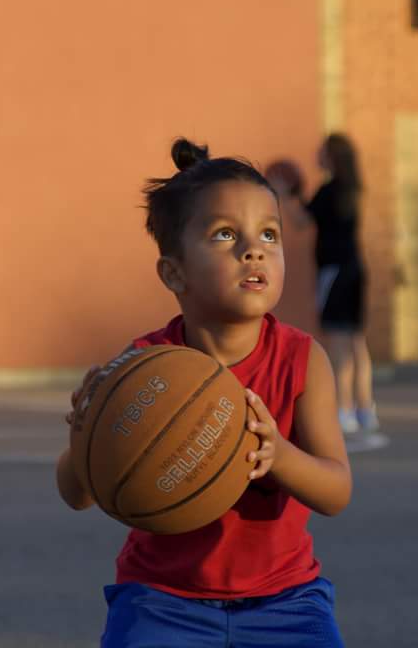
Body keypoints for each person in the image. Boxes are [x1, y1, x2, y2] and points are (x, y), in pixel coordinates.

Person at [56, 139, 352, 647]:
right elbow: (76, 495)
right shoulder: (144, 367)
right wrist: (88, 435)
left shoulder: (303, 360)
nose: (253, 249)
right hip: (162, 600)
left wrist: (278, 454)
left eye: (268, 234)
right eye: (224, 235)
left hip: (286, 600)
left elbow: (336, 492)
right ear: (174, 272)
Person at [275, 134, 378, 434]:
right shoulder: (353, 188)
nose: (316, 155)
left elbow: (301, 221)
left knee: (338, 341)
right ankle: (365, 409)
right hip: (356, 268)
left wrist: (282, 194)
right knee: (357, 341)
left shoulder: (330, 189)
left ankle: (344, 409)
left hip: (335, 272)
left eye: (321, 152)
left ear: (332, 156)